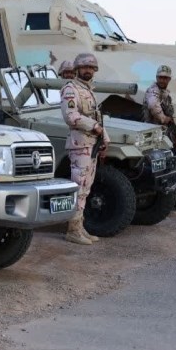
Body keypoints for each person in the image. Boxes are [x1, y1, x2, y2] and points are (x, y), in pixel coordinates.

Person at [60, 52, 110, 246]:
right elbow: (71, 116)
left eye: (90, 67)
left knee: (86, 188)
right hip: (80, 145)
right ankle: (72, 230)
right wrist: (95, 127)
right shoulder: (71, 89)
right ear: (77, 69)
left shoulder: (89, 90)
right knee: (78, 186)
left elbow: (96, 117)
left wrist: (104, 138)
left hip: (91, 145)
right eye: (84, 67)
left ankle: (79, 227)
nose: (87, 70)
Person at [142, 64, 176, 148]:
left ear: (169, 79)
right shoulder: (153, 91)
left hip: (161, 132)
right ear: (156, 78)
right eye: (160, 77)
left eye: (165, 78)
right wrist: (164, 118)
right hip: (152, 132)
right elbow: (153, 105)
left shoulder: (164, 92)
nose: (162, 80)